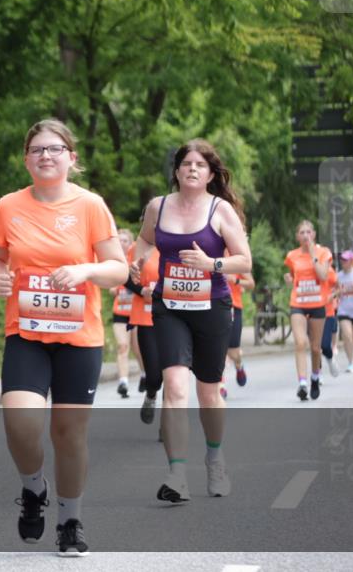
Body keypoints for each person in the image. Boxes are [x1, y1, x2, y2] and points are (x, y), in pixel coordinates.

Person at [0, 119, 127, 556]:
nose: (45, 155)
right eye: (37, 150)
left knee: (68, 434)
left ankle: (70, 520)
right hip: (26, 332)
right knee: (21, 423)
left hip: (78, 337)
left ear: (71, 157)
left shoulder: (90, 206)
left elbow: (118, 269)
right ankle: (33, 489)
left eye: (54, 148)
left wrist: (85, 270)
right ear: (27, 159)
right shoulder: (9, 205)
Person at [131, 139, 252, 503]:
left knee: (208, 393)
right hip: (169, 307)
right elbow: (143, 239)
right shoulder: (158, 206)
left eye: (201, 165)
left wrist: (212, 264)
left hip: (212, 307)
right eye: (187, 163)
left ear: (211, 173)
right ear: (177, 171)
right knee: (175, 387)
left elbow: (244, 261)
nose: (193, 169)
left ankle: (214, 458)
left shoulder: (221, 210)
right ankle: (177, 474)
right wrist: (138, 261)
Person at [284, 220, 333, 400]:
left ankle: (315, 377)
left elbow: (323, 275)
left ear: (313, 234)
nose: (305, 235)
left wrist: (313, 256)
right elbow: (291, 273)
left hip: (318, 304)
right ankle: (302, 383)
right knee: (300, 342)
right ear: (297, 237)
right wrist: (289, 279)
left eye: (308, 232)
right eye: (302, 232)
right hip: (298, 302)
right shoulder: (292, 255)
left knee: (315, 348)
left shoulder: (324, 253)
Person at [110, 230, 144, 398]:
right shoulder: (113, 261)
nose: (122, 243)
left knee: (138, 349)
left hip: (136, 312)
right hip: (120, 311)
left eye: (125, 240)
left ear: (130, 243)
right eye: (119, 240)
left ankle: (144, 374)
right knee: (122, 346)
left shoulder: (136, 259)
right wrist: (113, 288)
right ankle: (123, 382)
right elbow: (109, 287)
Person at [130, 246, 161, 426]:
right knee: (154, 375)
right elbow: (125, 276)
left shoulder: (183, 243)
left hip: (176, 319)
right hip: (146, 318)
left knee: (174, 376)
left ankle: (168, 425)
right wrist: (142, 290)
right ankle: (151, 395)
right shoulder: (139, 248)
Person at [220, 251, 254, 397]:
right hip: (214, 305)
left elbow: (251, 284)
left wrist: (235, 280)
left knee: (233, 352)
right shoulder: (209, 250)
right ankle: (220, 384)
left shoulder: (235, 255)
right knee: (218, 347)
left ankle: (239, 365)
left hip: (233, 305)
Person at [320, 270, 341, 376]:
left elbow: (339, 288)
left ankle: (330, 359)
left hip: (327, 313)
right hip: (309, 313)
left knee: (325, 345)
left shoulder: (330, 272)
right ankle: (317, 374)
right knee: (315, 347)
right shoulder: (304, 266)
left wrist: (332, 295)